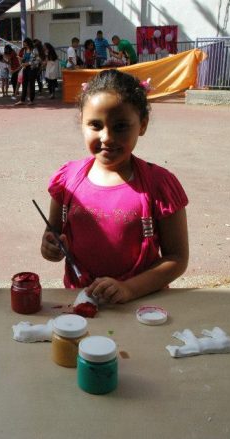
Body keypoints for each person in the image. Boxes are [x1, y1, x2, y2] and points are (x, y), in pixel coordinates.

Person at [40, 70, 188, 304]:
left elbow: (177, 258)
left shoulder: (159, 184)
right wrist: (51, 247)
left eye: (120, 126)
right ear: (82, 122)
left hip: (141, 304)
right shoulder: (66, 180)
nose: (107, 137)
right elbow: (54, 233)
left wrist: (128, 289)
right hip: (81, 303)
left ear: (142, 125)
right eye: (95, 125)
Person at [15, 38, 39, 106]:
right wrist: (21, 59)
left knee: (31, 84)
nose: (23, 44)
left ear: (28, 43)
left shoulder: (34, 50)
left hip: (32, 69)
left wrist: (28, 63)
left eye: (24, 42)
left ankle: (31, 100)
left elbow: (37, 60)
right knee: (24, 84)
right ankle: (22, 100)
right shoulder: (25, 50)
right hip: (25, 69)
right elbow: (25, 59)